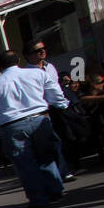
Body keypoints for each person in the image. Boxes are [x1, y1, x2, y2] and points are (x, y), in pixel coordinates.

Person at [0, 50, 68, 208]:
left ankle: (38, 198)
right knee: (46, 156)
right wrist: (62, 105)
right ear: (18, 60)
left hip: (13, 126)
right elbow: (55, 93)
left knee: (25, 163)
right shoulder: (37, 74)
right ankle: (55, 190)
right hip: (40, 118)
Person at [23, 38, 74, 179]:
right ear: (28, 55)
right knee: (52, 141)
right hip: (43, 110)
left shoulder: (49, 66)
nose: (42, 52)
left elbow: (54, 87)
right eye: (37, 51)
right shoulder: (26, 73)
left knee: (65, 136)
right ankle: (63, 171)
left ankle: (69, 165)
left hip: (58, 106)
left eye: (43, 49)